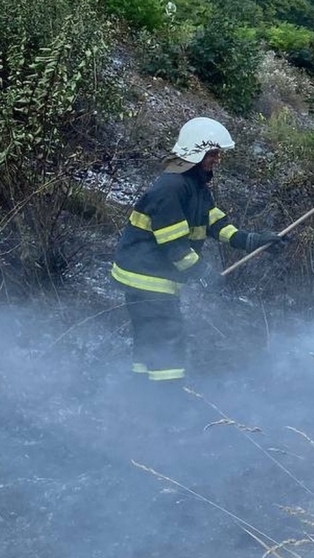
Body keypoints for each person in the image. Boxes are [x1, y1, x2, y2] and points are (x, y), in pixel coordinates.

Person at [110, 116, 285, 384]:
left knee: (150, 341)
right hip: (147, 278)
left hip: (151, 275)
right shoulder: (171, 188)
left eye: (217, 153)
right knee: (167, 339)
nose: (217, 159)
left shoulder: (194, 185)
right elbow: (174, 244)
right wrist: (203, 272)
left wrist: (252, 240)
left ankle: (141, 396)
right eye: (213, 153)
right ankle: (166, 400)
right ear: (197, 151)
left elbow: (214, 222)